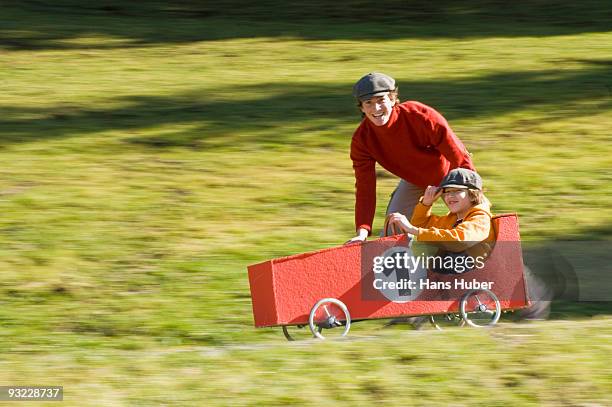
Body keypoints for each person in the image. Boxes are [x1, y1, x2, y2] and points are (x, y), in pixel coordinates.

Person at [389, 168, 551, 320]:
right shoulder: (453, 218)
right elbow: (425, 225)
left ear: (472, 194)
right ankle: (409, 308)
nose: (449, 196)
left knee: (424, 267)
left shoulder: (479, 217)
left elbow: (461, 238)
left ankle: (410, 309)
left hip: (474, 268)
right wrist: (426, 204)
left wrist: (414, 230)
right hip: (458, 265)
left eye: (457, 191)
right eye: (446, 192)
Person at [347, 72, 475, 244]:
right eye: (368, 103)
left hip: (449, 174)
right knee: (393, 226)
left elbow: (457, 153)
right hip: (413, 179)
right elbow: (365, 187)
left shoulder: (418, 115)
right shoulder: (362, 140)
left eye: (381, 100)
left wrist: (472, 191)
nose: (376, 109)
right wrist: (362, 231)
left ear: (392, 99)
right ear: (361, 107)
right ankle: (407, 268)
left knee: (471, 221)